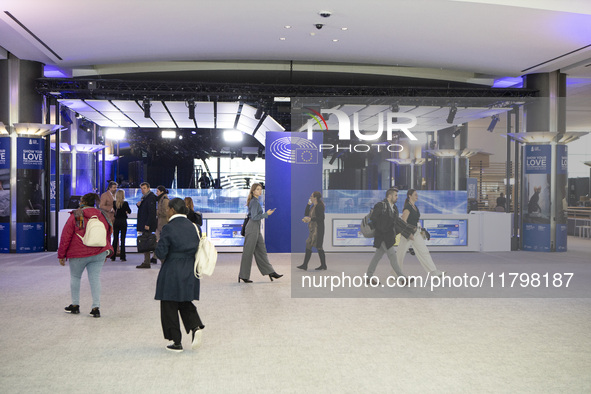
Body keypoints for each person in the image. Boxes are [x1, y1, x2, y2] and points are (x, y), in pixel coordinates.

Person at [154, 198, 204, 352]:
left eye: (168, 208)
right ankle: (195, 326)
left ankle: (177, 342)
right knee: (184, 300)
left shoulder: (169, 228)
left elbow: (161, 252)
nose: (166, 211)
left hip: (172, 269)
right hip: (190, 268)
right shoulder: (194, 226)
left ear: (173, 210)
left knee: (169, 304)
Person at [58, 193, 113, 318]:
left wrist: (61, 254)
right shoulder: (102, 215)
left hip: (78, 253)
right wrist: (106, 252)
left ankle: (75, 305)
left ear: (83, 202)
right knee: (95, 279)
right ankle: (95, 308)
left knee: (75, 277)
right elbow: (108, 233)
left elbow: (66, 236)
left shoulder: (77, 215)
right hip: (98, 252)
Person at [365, 188, 415, 285]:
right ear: (389, 196)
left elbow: (398, 223)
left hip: (389, 237)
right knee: (393, 256)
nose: (397, 197)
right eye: (395, 195)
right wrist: (382, 229)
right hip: (382, 237)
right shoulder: (380, 206)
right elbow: (373, 219)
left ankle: (368, 277)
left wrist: (409, 231)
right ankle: (402, 279)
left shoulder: (395, 209)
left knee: (377, 257)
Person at [238, 183, 283, 283]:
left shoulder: (255, 201)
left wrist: (265, 213)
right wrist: (267, 214)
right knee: (248, 253)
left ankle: (270, 271)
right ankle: (243, 275)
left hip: (256, 228)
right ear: (253, 191)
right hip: (252, 228)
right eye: (257, 189)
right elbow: (254, 217)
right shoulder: (254, 202)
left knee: (262, 251)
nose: (260, 191)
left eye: (260, 189)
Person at [396, 189, 443, 277]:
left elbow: (416, 221)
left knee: (424, 252)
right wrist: (408, 234)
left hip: (416, 233)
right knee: (400, 254)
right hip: (408, 234)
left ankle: (433, 272)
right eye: (415, 195)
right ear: (410, 196)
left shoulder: (415, 207)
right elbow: (403, 221)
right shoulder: (407, 207)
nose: (417, 196)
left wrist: (422, 231)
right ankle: (396, 273)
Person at [297, 191, 326, 270]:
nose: (310, 197)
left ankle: (306, 265)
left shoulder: (319, 206)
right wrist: (308, 204)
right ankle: (322, 265)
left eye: (311, 196)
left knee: (314, 245)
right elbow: (306, 214)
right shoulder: (314, 206)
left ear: (315, 198)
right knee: (316, 246)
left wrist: (311, 219)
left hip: (318, 229)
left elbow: (321, 218)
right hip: (313, 229)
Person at [136, 182, 158, 269]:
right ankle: (147, 261)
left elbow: (151, 212)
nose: (142, 190)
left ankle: (147, 262)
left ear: (148, 188)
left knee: (149, 242)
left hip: (147, 224)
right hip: (145, 223)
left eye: (144, 188)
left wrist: (148, 224)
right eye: (141, 188)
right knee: (147, 242)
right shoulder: (146, 197)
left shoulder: (150, 197)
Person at [111, 189, 131, 262]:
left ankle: (113, 256)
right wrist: (125, 211)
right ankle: (123, 256)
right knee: (123, 239)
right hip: (123, 221)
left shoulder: (114, 203)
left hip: (116, 222)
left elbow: (113, 211)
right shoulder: (125, 203)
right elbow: (129, 211)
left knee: (115, 239)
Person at [155, 185, 170, 263]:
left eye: (157, 191)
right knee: (157, 238)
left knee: (160, 238)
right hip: (160, 221)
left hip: (163, 221)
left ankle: (158, 256)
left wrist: (156, 212)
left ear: (161, 192)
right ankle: (155, 256)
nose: (156, 193)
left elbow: (165, 211)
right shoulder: (161, 199)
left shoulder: (165, 200)